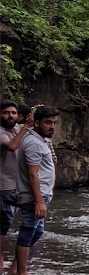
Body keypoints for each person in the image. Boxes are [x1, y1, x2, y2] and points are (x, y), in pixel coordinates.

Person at [9, 105, 58, 275]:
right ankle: (22, 273)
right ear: (36, 122)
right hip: (34, 196)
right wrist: (38, 200)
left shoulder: (40, 140)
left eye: (54, 123)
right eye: (47, 123)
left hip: (42, 194)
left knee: (36, 232)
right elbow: (32, 173)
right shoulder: (33, 143)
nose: (52, 126)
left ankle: (15, 268)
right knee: (28, 231)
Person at [1, 100, 31, 261]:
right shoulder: (1, 132)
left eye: (13, 113)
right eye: (6, 112)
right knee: (3, 226)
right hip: (4, 186)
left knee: (28, 221)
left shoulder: (20, 128)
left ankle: (17, 265)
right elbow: (12, 146)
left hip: (20, 185)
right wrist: (25, 127)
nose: (10, 116)